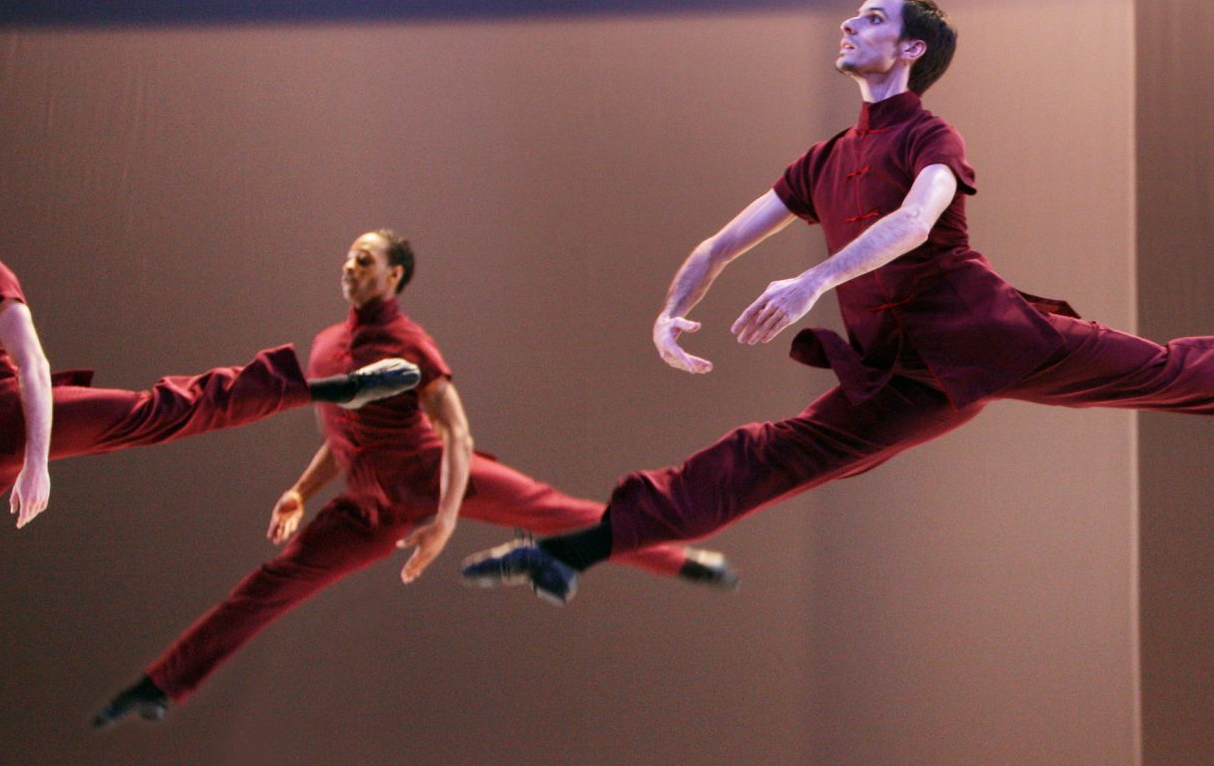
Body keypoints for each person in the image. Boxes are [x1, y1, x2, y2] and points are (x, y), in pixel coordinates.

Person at [462, 0, 1214, 603]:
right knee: (767, 454)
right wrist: (670, 307)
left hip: (987, 334)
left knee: (1170, 370)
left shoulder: (928, 134)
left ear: (908, 49)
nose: (850, 24)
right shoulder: (823, 158)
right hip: (897, 378)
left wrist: (814, 278)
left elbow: (915, 223)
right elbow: (723, 240)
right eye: (855, 14)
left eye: (871, 18)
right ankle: (575, 553)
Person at [0, 122, 419, 635]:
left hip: (10, 422)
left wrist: (36, 461)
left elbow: (32, 363)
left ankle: (332, 387)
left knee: (168, 408)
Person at [93, 231, 734, 727]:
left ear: (393, 275)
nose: (350, 267)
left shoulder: (408, 342)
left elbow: (458, 433)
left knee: (568, 515)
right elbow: (343, 435)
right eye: (348, 258)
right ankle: (158, 686)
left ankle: (686, 561)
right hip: (368, 505)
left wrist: (446, 521)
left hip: (433, 474)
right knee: (269, 586)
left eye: (364, 260)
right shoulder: (326, 345)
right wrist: (300, 491)